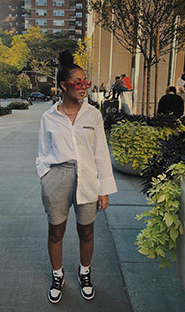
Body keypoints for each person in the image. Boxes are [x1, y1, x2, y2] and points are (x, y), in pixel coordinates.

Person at [36, 50, 117, 304]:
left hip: (87, 177)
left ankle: (85, 272)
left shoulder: (93, 114)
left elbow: (101, 152)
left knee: (87, 231)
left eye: (86, 83)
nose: (84, 87)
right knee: (56, 231)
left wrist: (103, 188)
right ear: (63, 85)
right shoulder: (49, 117)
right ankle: (57, 274)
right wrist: (45, 175)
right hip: (57, 176)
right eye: (78, 83)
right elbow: (41, 153)